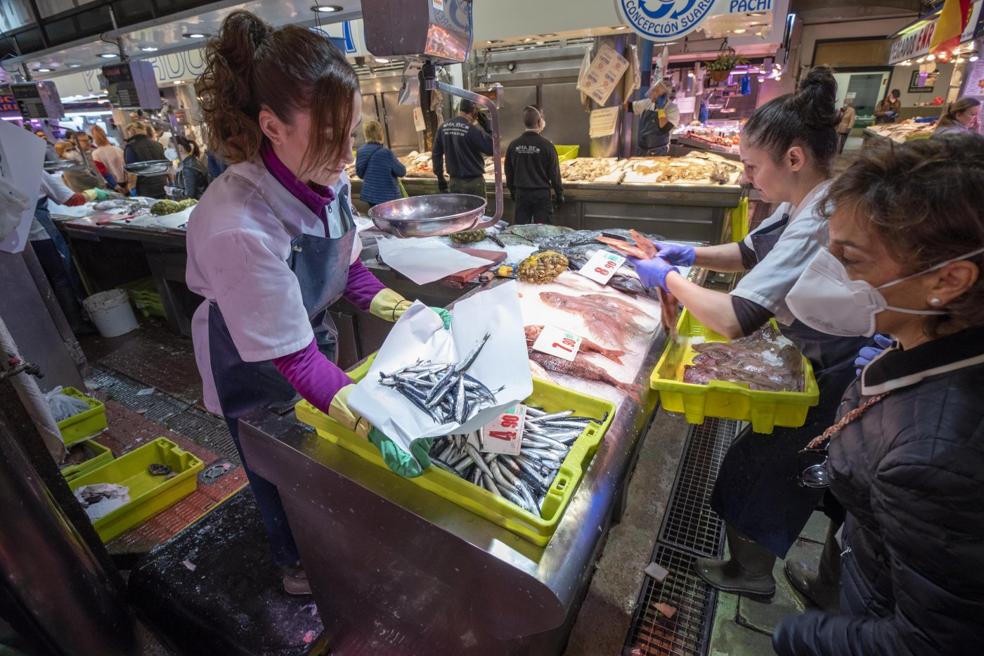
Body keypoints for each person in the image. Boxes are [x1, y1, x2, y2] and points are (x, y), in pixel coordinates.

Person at [188, 10, 443, 596]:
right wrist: (372, 420)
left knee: (321, 459)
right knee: (273, 464)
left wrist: (400, 309)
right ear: (272, 126)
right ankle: (294, 563)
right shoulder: (239, 225)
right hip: (248, 360)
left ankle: (328, 540)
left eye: (350, 133)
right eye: (332, 137)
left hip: (307, 335)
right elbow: (293, 362)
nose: (346, 153)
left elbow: (346, 268)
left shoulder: (323, 177)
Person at [631, 67, 869, 600]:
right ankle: (825, 585)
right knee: (810, 480)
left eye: (751, 165)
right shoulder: (799, 201)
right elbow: (748, 253)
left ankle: (753, 576)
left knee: (770, 473)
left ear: (794, 158)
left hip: (834, 370)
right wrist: (688, 254)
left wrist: (666, 278)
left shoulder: (821, 217)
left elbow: (737, 317)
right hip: (810, 353)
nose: (746, 176)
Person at [772, 133, 984, 656]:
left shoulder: (935, 457)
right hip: (864, 570)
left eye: (851, 259)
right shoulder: (929, 335)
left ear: (950, 279)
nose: (828, 274)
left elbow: (932, 642)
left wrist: (799, 636)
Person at [504, 105, 563, 224]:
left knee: (521, 231)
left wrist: (512, 191)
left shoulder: (513, 145)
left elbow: (508, 171)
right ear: (539, 121)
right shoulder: (547, 146)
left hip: (521, 194)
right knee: (543, 232)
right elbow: (554, 174)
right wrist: (559, 193)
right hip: (541, 195)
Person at [432, 98, 493, 198]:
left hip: (454, 183)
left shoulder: (443, 127)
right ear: (473, 111)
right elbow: (491, 149)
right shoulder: (472, 129)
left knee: (460, 212)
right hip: (474, 183)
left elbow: (436, 154)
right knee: (477, 213)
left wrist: (440, 177)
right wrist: (488, 128)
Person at [354, 119, 405, 208]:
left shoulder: (360, 151)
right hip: (388, 197)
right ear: (380, 133)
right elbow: (401, 172)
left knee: (378, 218)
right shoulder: (385, 152)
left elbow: (360, 174)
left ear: (366, 134)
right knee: (391, 220)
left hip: (371, 196)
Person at [631, 81, 680, 156]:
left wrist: (660, 109)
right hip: (642, 150)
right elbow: (630, 107)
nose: (652, 93)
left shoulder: (672, 109)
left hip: (659, 152)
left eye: (656, 91)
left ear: (664, 95)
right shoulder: (648, 103)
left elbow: (664, 128)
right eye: (653, 90)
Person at [123, 121, 168, 198]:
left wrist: (132, 188)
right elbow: (166, 165)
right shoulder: (158, 145)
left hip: (145, 189)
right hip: (162, 186)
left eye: (128, 133)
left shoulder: (131, 147)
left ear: (132, 132)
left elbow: (132, 172)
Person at [172, 135, 209, 200]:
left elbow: (189, 195)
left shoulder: (188, 168)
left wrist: (172, 191)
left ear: (180, 148)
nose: (167, 149)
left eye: (169, 146)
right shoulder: (192, 161)